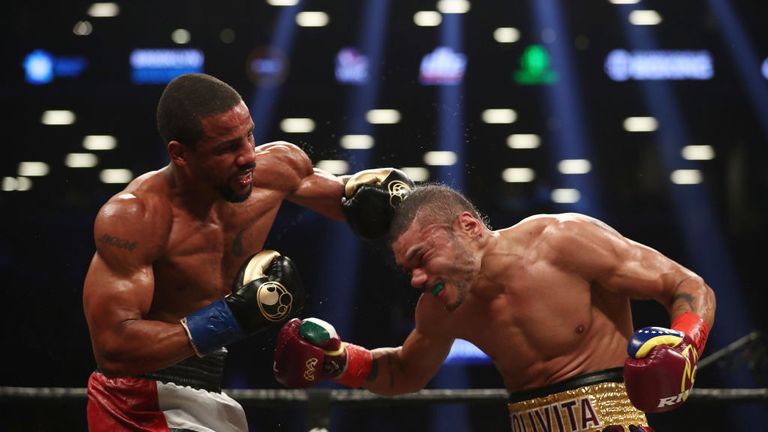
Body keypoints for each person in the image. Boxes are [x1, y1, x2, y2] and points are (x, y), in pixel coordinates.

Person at [82, 72, 414, 431]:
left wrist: (398, 203)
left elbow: (355, 203)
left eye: (249, 135)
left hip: (207, 387)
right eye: (226, 148)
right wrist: (233, 316)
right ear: (180, 154)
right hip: (136, 402)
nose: (247, 157)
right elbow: (113, 349)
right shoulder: (136, 217)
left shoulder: (277, 170)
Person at [273, 184, 716, 432]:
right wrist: (338, 361)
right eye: (408, 270)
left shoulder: (564, 241)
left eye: (422, 259)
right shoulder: (441, 307)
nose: (417, 280)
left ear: (468, 227)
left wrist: (686, 343)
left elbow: (686, 285)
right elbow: (405, 371)